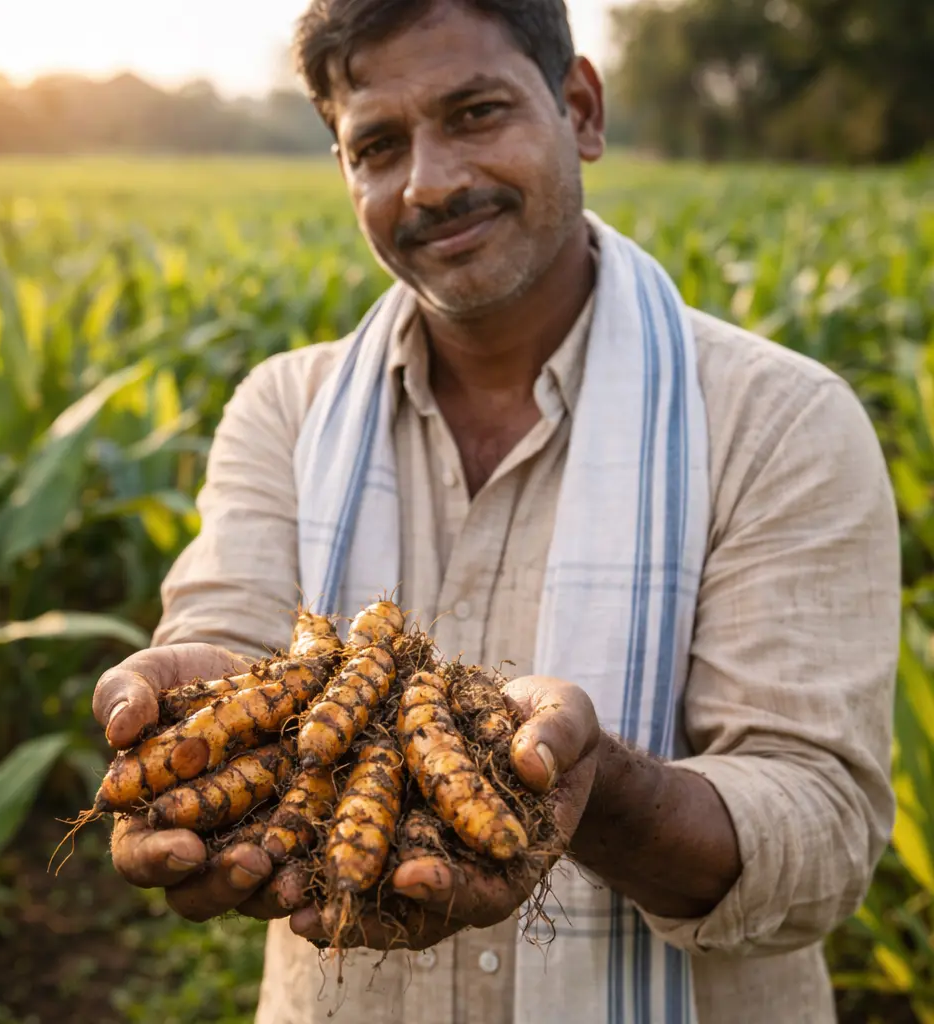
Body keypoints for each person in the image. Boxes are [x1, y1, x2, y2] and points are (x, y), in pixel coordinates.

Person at [91, 1, 901, 1021]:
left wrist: (594, 789)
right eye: (378, 146)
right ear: (344, 169)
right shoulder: (284, 410)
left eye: (476, 113)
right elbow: (231, 634)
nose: (429, 183)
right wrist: (196, 718)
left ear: (581, 110)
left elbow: (821, 831)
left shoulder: (779, 421)